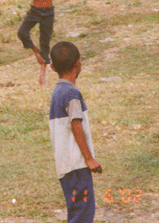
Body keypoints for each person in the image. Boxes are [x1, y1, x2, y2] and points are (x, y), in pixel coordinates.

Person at [49, 41, 103, 223]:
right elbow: (76, 124)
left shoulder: (58, 92)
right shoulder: (71, 94)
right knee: (82, 215)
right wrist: (89, 158)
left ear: (52, 67)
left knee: (77, 212)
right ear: (78, 63)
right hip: (77, 166)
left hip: (65, 165)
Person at [18, 0, 56, 85]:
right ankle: (35, 51)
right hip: (35, 11)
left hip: (48, 12)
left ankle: (42, 76)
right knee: (22, 32)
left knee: (45, 43)